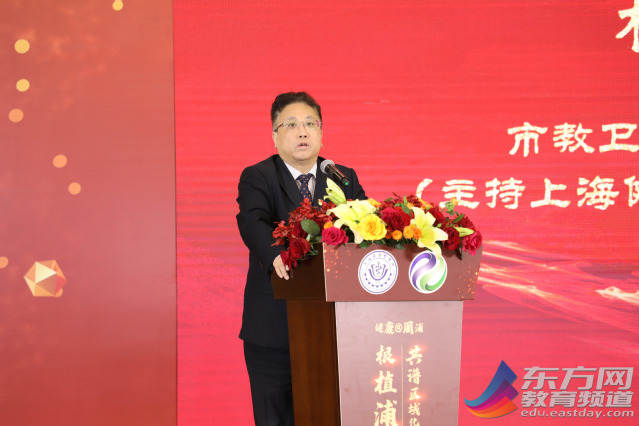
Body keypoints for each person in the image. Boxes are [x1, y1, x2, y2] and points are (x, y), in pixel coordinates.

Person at [236, 92, 366, 425]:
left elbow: (366, 224)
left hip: (331, 329)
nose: (303, 131)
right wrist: (275, 254)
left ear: (321, 133)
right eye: (291, 125)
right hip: (273, 326)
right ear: (274, 135)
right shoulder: (258, 175)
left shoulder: (343, 177)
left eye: (310, 123)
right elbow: (252, 220)